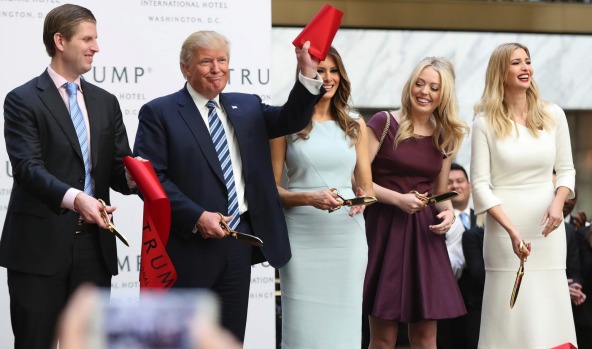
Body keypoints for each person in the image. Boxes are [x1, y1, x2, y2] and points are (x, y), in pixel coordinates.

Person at [132, 30, 323, 342]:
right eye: (206, 61)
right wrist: (196, 216)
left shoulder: (246, 106)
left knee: (229, 339)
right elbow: (151, 180)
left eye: (222, 61)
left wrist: (307, 73)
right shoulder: (160, 112)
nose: (217, 68)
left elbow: (292, 119)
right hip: (187, 247)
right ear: (186, 68)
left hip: (237, 244)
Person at [0, 4, 138, 349]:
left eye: (96, 38)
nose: (96, 47)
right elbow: (28, 169)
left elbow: (118, 170)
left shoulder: (106, 102)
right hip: (38, 249)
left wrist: (138, 178)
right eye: (87, 39)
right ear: (60, 41)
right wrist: (77, 200)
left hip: (95, 248)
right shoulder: (22, 100)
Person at [471, 42, 577, 348]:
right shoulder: (484, 122)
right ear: (500, 73)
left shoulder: (553, 114)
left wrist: (558, 203)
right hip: (506, 234)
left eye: (528, 61)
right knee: (510, 317)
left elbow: (567, 170)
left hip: (548, 232)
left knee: (548, 311)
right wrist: (512, 231)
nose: (525, 67)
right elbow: (479, 185)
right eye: (516, 63)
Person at [269, 46, 374, 348]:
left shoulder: (355, 123)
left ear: (341, 76)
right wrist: (308, 198)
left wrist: (360, 201)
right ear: (307, 75)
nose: (327, 78)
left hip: (346, 236)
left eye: (333, 70)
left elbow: (366, 188)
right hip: (301, 236)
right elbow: (272, 191)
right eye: (319, 71)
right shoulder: (283, 123)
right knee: (303, 324)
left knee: (345, 321)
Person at [363, 57, 468, 349]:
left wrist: (449, 215)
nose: (425, 92)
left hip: (425, 235)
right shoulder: (383, 122)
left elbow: (440, 194)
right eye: (420, 84)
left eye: (434, 87)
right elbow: (359, 181)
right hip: (384, 229)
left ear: (442, 96)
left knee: (425, 337)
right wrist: (397, 199)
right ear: (410, 86)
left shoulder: (444, 136)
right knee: (383, 338)